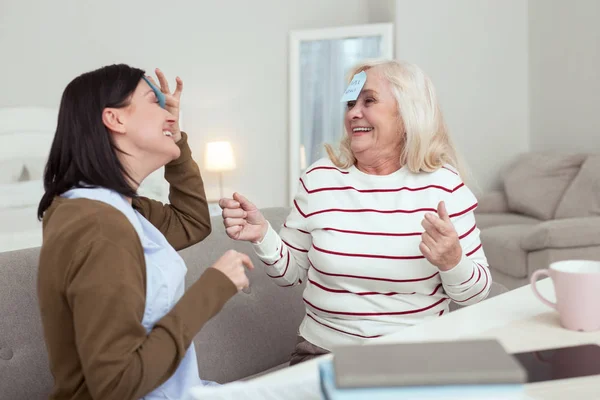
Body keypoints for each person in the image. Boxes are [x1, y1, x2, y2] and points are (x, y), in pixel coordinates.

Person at [219, 59, 492, 365]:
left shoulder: (444, 186)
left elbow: (474, 294)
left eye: (369, 101)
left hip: (415, 356)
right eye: (350, 103)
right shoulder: (319, 179)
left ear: (407, 113)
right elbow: (290, 274)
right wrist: (263, 235)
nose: (353, 112)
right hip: (323, 355)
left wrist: (452, 260)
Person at [37, 64, 254, 400]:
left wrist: (174, 136)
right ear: (115, 119)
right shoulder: (98, 224)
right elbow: (115, 385)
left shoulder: (118, 208)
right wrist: (213, 287)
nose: (169, 114)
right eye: (153, 103)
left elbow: (191, 222)